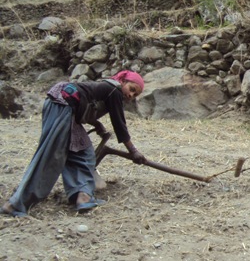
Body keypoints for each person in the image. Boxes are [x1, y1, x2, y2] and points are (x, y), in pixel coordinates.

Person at [1, 70, 147, 217]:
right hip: (62, 106)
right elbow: (119, 125)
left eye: (135, 95)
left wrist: (96, 124)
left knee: (83, 152)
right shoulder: (114, 90)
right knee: (50, 157)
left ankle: (83, 196)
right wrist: (133, 151)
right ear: (123, 81)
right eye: (132, 89)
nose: (131, 95)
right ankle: (15, 204)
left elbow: (84, 101)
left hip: (64, 107)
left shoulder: (107, 88)